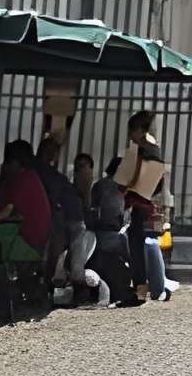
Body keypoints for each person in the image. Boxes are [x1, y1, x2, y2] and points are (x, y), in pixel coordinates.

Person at [38, 135, 108, 306]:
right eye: (79, 169)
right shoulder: (59, 182)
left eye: (86, 169)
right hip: (64, 224)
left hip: (75, 227)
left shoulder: (91, 190)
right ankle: (75, 284)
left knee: (81, 242)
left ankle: (76, 284)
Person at [116, 112, 167, 304]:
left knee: (138, 247)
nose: (130, 134)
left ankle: (141, 290)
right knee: (144, 245)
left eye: (132, 130)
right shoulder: (152, 150)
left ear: (140, 130)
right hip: (144, 203)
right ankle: (149, 288)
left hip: (141, 203)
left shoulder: (145, 151)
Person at [0, 138, 52, 264]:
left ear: (14, 163)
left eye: (7, 163)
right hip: (33, 243)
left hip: (27, 244)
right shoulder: (29, 177)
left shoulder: (21, 181)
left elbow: (4, 214)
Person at [89, 154, 136, 304]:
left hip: (104, 234)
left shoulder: (103, 185)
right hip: (106, 234)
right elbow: (110, 217)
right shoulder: (109, 187)